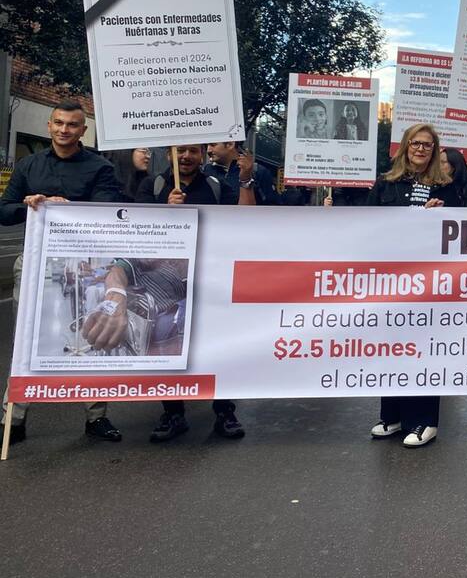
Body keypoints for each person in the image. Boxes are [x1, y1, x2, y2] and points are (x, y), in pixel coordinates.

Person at [0, 100, 126, 445]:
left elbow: (107, 212)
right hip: (36, 261)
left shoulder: (100, 168)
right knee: (27, 337)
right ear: (49, 125)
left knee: (89, 338)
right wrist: (28, 205)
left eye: (72, 125)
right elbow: (4, 210)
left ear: (83, 130)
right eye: (58, 123)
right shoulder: (29, 165)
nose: (64, 130)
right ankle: (14, 418)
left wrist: (72, 210)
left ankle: (96, 416)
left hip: (85, 265)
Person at [135, 143, 255, 441]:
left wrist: (246, 180)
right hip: (165, 282)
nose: (185, 157)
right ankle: (173, 413)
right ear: (169, 156)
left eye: (192, 151)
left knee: (218, 345)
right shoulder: (154, 185)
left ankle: (225, 411)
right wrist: (167, 211)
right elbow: (135, 227)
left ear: (202, 155)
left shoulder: (216, 186)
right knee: (166, 343)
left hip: (208, 276)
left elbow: (246, 218)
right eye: (179, 152)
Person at [366, 123, 462, 447]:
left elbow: (460, 229)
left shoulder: (446, 187)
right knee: (391, 346)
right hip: (391, 278)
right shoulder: (385, 183)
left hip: (429, 280)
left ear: (434, 151)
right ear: (405, 147)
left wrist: (439, 215)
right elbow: (369, 225)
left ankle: (424, 420)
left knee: (424, 347)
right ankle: (391, 415)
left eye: (427, 145)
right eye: (415, 144)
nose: (421, 149)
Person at [204, 141, 279, 205]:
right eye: (207, 145)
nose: (208, 150)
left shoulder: (258, 171)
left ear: (230, 144)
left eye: (213, 145)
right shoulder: (206, 171)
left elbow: (272, 209)